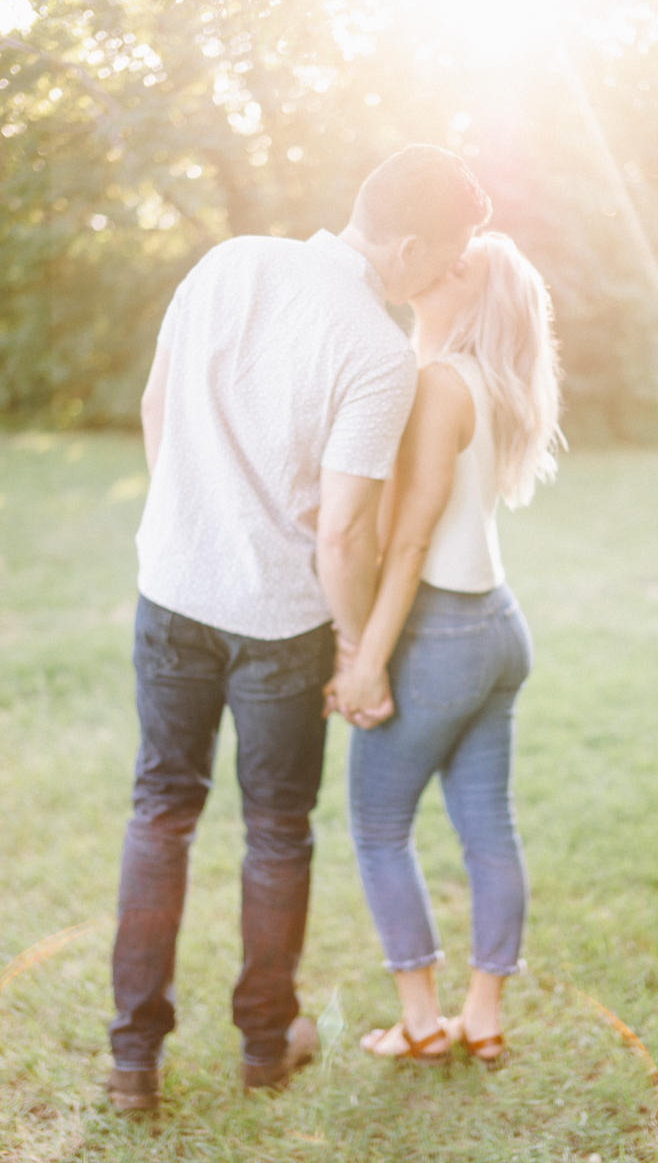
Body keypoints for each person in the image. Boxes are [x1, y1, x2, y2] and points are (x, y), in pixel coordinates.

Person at [106, 145, 491, 1112]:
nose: (449, 275)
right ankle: (266, 1045)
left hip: (171, 595)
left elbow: (158, 409)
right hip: (282, 629)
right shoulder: (375, 352)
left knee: (161, 811)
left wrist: (191, 525)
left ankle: (132, 1063)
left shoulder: (227, 262)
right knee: (277, 833)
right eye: (447, 256)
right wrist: (360, 645)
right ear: (407, 244)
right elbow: (348, 531)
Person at [326, 231, 562, 1064]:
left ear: (476, 300)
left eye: (462, 266)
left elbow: (409, 544)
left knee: (379, 826)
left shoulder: (437, 385)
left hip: (443, 629)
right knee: (488, 828)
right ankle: (484, 1018)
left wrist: (364, 659)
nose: (442, 263)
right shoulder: (493, 385)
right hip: (498, 626)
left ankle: (424, 1024)